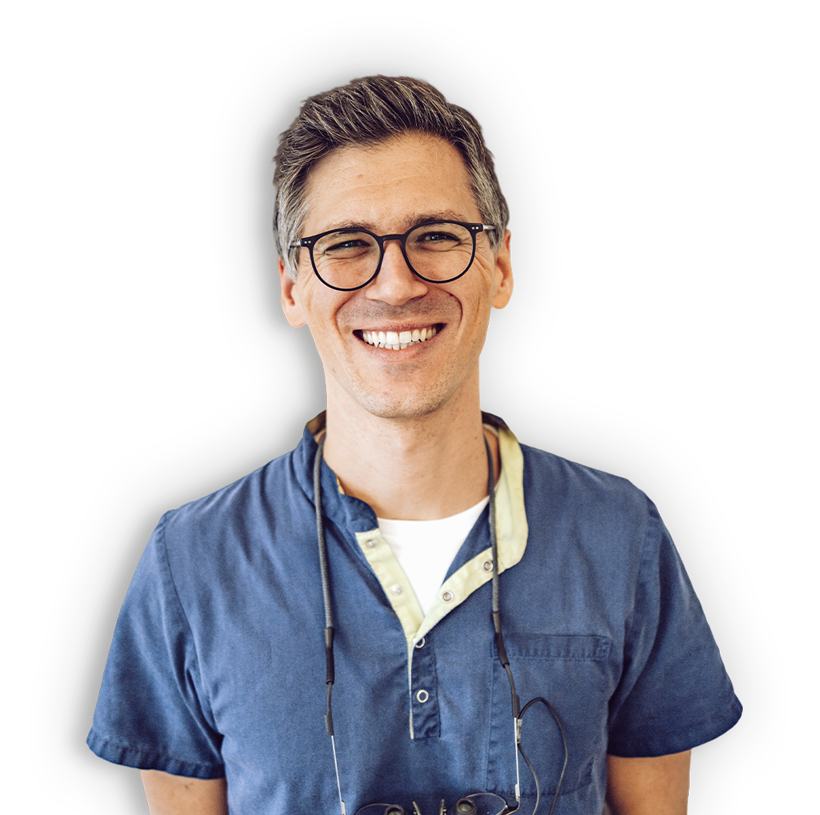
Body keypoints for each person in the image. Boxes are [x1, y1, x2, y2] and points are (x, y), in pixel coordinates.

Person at [87, 74, 741, 815]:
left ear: (500, 267)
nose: (395, 285)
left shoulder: (622, 534)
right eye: (346, 244)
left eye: (436, 236)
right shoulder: (189, 561)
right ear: (292, 287)